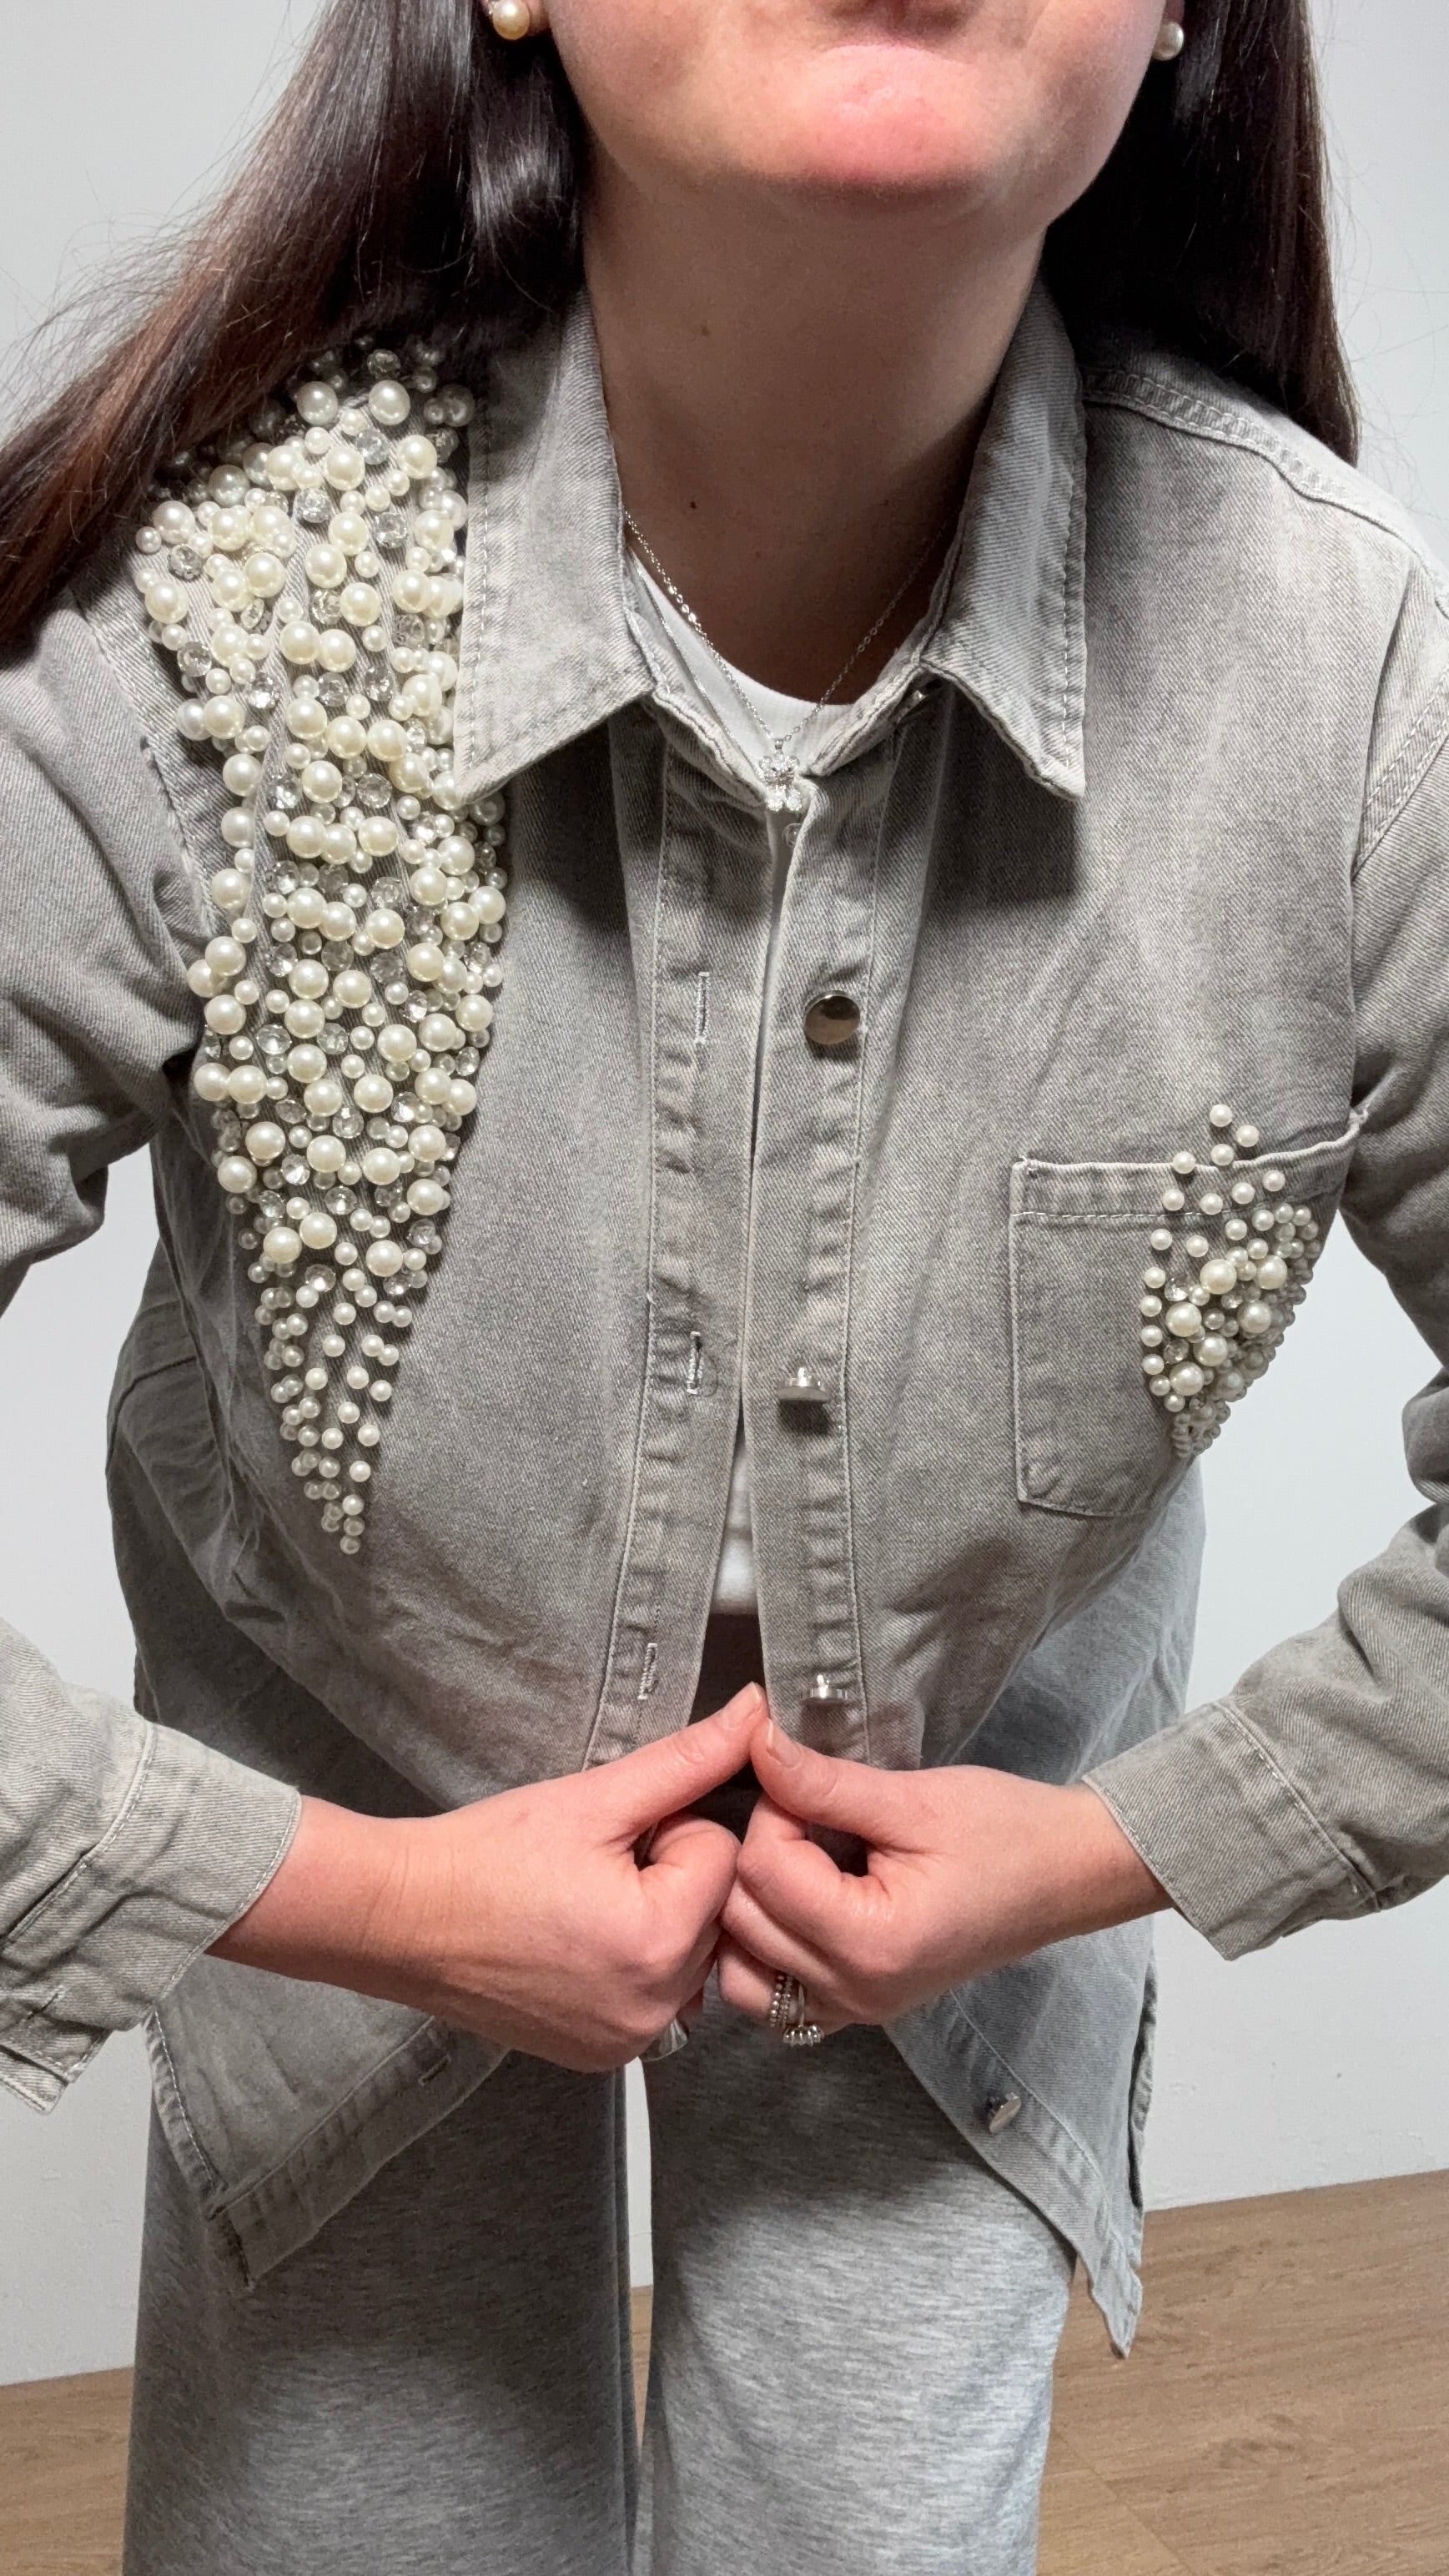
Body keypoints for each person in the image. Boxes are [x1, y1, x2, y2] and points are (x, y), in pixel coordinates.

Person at [3, 0, 1448, 2567]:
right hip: (342, 1847)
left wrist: (1102, 1853)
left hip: (957, 1898)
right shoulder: (197, 635)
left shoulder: (1339, 677)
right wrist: (356, 1900)